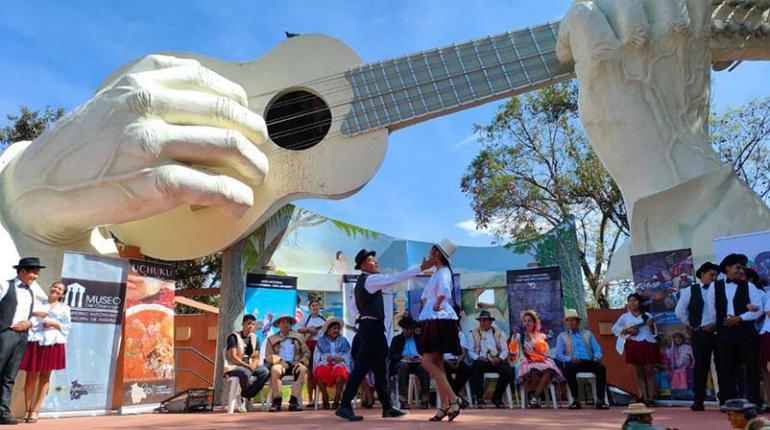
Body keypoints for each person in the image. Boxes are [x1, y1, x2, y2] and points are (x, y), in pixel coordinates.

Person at [334, 248, 434, 422]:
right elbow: (394, 278)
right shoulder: (371, 279)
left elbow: (352, 306)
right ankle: (344, 405)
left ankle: (387, 407)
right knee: (361, 368)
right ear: (364, 265)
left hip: (370, 327)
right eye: (373, 260)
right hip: (372, 329)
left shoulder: (361, 283)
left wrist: (360, 318)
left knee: (381, 369)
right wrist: (420, 267)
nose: (376, 262)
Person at [706, 253, 764, 405]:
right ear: (727, 268)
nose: (741, 271)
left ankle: (754, 401)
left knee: (751, 367)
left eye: (743, 268)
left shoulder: (749, 286)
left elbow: (758, 310)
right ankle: (730, 401)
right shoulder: (714, 286)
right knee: (726, 368)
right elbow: (713, 311)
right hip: (724, 333)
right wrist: (724, 322)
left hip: (746, 332)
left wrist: (738, 318)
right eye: (738, 267)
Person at [417, 239, 463, 422]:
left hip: (438, 318)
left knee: (427, 362)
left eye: (432, 251)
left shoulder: (443, 272)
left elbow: (444, 290)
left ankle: (454, 399)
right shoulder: (439, 272)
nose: (429, 253)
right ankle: (444, 405)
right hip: (435, 318)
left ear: (437, 253)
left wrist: (436, 304)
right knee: (437, 363)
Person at [0, 257, 45, 425]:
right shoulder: (5, 285)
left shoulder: (31, 292)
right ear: (22, 271)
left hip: (21, 337)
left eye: (37, 273)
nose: (35, 276)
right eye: (33, 272)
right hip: (5, 334)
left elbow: (36, 316)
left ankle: (3, 412)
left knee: (9, 377)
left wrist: (29, 323)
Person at [20, 281, 71, 423]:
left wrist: (53, 323)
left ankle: (36, 410)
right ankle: (27, 409)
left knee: (45, 377)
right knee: (30, 377)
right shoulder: (38, 302)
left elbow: (67, 326)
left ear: (63, 294)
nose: (56, 289)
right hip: (36, 341)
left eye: (60, 289)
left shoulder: (65, 308)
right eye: (55, 287)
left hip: (53, 343)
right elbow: (29, 316)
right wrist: (35, 314)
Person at [674, 261, 719, 411]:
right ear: (702, 275)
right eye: (711, 274)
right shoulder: (689, 291)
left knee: (724, 365)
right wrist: (693, 325)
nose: (714, 277)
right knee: (701, 366)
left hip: (720, 331)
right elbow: (680, 311)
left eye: (716, 275)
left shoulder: (721, 289)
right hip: (700, 332)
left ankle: (726, 399)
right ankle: (698, 399)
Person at [553, 308, 608, 410]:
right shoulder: (562, 336)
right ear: (566, 323)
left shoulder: (588, 334)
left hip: (589, 361)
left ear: (578, 322)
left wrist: (597, 357)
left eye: (573, 320)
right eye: (568, 320)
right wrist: (570, 359)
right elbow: (558, 354)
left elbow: (597, 349)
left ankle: (601, 400)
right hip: (574, 362)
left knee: (601, 368)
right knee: (569, 368)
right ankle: (576, 400)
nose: (571, 322)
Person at [512, 310, 564, 409]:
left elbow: (544, 352)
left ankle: (535, 397)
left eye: (529, 321)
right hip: (526, 361)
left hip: (540, 360)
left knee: (548, 371)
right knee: (533, 371)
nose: (527, 323)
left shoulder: (540, 336)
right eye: (525, 321)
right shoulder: (520, 336)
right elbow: (514, 351)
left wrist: (538, 348)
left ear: (534, 322)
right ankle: (535, 397)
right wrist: (514, 341)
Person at [612, 293, 659, 406]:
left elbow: (655, 332)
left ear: (640, 302)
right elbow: (614, 328)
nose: (632, 303)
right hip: (633, 344)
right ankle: (644, 397)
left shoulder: (647, 315)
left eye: (635, 300)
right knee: (639, 372)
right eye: (630, 301)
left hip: (647, 343)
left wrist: (651, 325)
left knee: (649, 372)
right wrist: (627, 331)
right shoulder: (625, 317)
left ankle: (651, 398)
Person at [222, 314, 269, 412]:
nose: (251, 326)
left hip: (249, 365)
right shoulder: (233, 337)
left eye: (253, 324)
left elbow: (256, 356)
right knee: (245, 372)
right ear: (242, 324)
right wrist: (247, 366)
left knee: (265, 371)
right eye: (248, 323)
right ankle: (246, 398)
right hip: (234, 366)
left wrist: (253, 365)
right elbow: (233, 357)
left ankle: (245, 396)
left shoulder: (255, 338)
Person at [264, 315, 310, 412]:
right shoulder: (272, 339)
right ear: (278, 325)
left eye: (288, 322)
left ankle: (293, 401)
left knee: (302, 369)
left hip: (295, 363)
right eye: (283, 322)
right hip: (280, 364)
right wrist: (279, 360)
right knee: (275, 369)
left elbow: (307, 352)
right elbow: (268, 355)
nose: (286, 324)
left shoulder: (298, 337)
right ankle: (276, 401)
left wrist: (302, 361)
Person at [468, 310, 513, 409]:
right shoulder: (473, 333)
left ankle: (497, 397)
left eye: (485, 320)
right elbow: (470, 351)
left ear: (490, 322)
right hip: (482, 361)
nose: (482, 323)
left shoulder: (499, 333)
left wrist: (499, 358)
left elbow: (505, 350)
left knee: (508, 371)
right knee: (476, 366)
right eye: (481, 321)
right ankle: (480, 398)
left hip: (496, 360)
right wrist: (477, 357)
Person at [388, 315, 430, 409]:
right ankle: (403, 399)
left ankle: (425, 398)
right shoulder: (397, 339)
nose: (408, 331)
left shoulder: (418, 338)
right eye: (406, 329)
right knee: (403, 367)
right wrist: (403, 357)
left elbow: (425, 351)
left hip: (417, 362)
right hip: (402, 362)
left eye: (410, 329)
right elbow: (392, 355)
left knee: (424, 367)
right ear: (403, 329)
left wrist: (421, 357)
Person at [313, 317, 351, 409]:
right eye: (334, 328)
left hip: (340, 363)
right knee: (319, 372)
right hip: (325, 363)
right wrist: (326, 358)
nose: (336, 330)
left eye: (338, 328)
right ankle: (325, 397)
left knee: (340, 372)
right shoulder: (321, 341)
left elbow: (348, 354)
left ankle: (337, 399)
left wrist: (342, 358)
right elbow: (317, 355)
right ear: (328, 330)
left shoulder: (344, 341)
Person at [297, 299, 326, 408]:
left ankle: (322, 398)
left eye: (317, 305)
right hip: (308, 346)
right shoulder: (306, 318)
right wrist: (308, 330)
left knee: (318, 372)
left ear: (319, 307)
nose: (315, 307)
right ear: (309, 307)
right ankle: (310, 400)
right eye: (313, 305)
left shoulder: (324, 320)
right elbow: (298, 330)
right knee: (309, 373)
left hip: (320, 348)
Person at [443, 316, 471, 409]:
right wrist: (447, 361)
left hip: (456, 360)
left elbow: (463, 351)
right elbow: (438, 353)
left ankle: (454, 396)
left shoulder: (460, 334)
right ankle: (458, 398)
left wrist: (458, 362)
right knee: (444, 371)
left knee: (466, 369)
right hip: (445, 361)